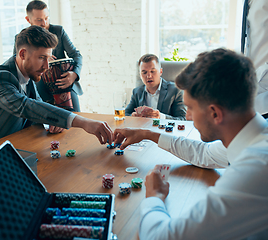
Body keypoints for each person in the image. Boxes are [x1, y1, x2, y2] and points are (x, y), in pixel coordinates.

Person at [114, 48, 268, 239]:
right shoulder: (251, 137)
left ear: (215, 114)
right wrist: (147, 134)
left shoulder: (254, 171)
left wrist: (154, 197)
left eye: (190, 108)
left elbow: (160, 237)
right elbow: (204, 154)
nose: (186, 116)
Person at [0, 26, 112, 151]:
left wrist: (50, 121)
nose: (47, 66)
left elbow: (39, 107)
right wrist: (85, 122)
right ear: (23, 54)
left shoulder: (28, 74)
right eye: (42, 58)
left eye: (48, 58)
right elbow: (27, 107)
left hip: (11, 145)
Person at [13, 0, 83, 112]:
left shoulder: (58, 31)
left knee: (76, 120)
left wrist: (74, 74)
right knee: (46, 126)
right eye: (39, 20)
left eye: (46, 18)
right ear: (28, 20)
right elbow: (18, 66)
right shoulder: (21, 38)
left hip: (65, 83)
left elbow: (76, 55)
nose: (44, 23)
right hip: (39, 87)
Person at [125, 54, 186, 120]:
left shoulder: (175, 90)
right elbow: (125, 114)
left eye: (152, 71)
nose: (149, 76)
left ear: (160, 72)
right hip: (143, 129)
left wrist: (161, 117)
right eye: (144, 72)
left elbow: (183, 119)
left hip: (163, 129)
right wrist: (132, 116)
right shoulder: (137, 92)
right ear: (140, 75)